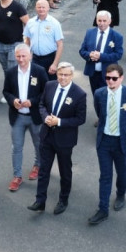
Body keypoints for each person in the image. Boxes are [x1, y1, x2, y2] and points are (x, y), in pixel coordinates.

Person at [27, 62, 87, 215]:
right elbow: (41, 105)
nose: (63, 78)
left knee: (65, 171)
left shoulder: (79, 94)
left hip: (65, 140)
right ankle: (40, 201)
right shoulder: (49, 85)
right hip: (47, 136)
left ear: (72, 76)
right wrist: (46, 117)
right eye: (60, 74)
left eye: (66, 75)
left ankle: (63, 200)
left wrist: (59, 122)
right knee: (44, 170)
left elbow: (80, 119)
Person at [89, 63, 126, 225]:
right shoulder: (99, 94)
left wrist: (123, 127)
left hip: (121, 141)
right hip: (104, 140)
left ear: (121, 78)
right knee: (105, 176)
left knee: (121, 170)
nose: (110, 81)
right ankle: (102, 209)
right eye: (107, 78)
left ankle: (120, 194)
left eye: (114, 78)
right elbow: (100, 113)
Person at [3, 44, 48, 192]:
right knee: (16, 147)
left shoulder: (39, 71)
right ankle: (17, 176)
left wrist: (32, 102)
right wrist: (13, 100)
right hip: (18, 117)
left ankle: (38, 165)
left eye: (23, 56)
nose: (21, 59)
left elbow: (46, 92)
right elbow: (6, 91)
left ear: (30, 56)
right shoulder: (10, 72)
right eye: (18, 56)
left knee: (39, 144)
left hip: (35, 117)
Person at [80, 11, 124, 97]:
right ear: (96, 20)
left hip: (108, 73)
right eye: (99, 20)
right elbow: (82, 50)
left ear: (110, 21)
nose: (101, 23)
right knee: (96, 95)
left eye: (104, 21)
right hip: (93, 72)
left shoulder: (117, 36)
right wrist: (89, 55)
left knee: (107, 96)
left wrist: (101, 56)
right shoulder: (90, 33)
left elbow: (118, 54)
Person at [23, 0, 64, 80]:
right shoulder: (30, 22)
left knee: (50, 84)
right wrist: (27, 56)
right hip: (35, 59)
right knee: (34, 83)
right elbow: (27, 41)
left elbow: (60, 45)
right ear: (35, 8)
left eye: (43, 7)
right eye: (39, 7)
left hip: (49, 59)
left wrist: (55, 64)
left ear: (48, 8)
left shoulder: (55, 23)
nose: (41, 9)